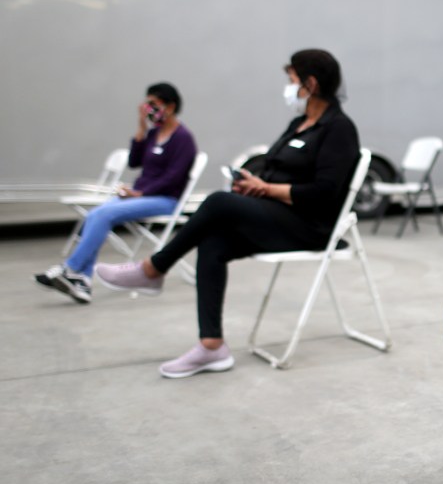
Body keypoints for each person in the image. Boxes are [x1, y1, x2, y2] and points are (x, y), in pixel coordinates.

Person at [94, 49, 361, 379]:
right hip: (276, 214)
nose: (288, 87)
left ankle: (153, 269)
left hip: (310, 226)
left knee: (218, 202)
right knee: (214, 241)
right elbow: (273, 166)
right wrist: (253, 183)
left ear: (311, 83)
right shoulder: (299, 123)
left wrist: (265, 189)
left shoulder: (339, 129)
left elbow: (324, 194)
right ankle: (211, 347)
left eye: (291, 80)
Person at [34, 82, 197, 304]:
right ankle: (82, 280)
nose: (149, 109)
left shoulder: (183, 139)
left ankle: (71, 269)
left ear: (170, 106)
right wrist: (141, 128)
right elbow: (134, 162)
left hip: (164, 200)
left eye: (153, 104)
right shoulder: (153, 133)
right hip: (141, 194)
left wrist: (141, 194)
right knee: (94, 214)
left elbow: (174, 177)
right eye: (146, 104)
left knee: (103, 215)